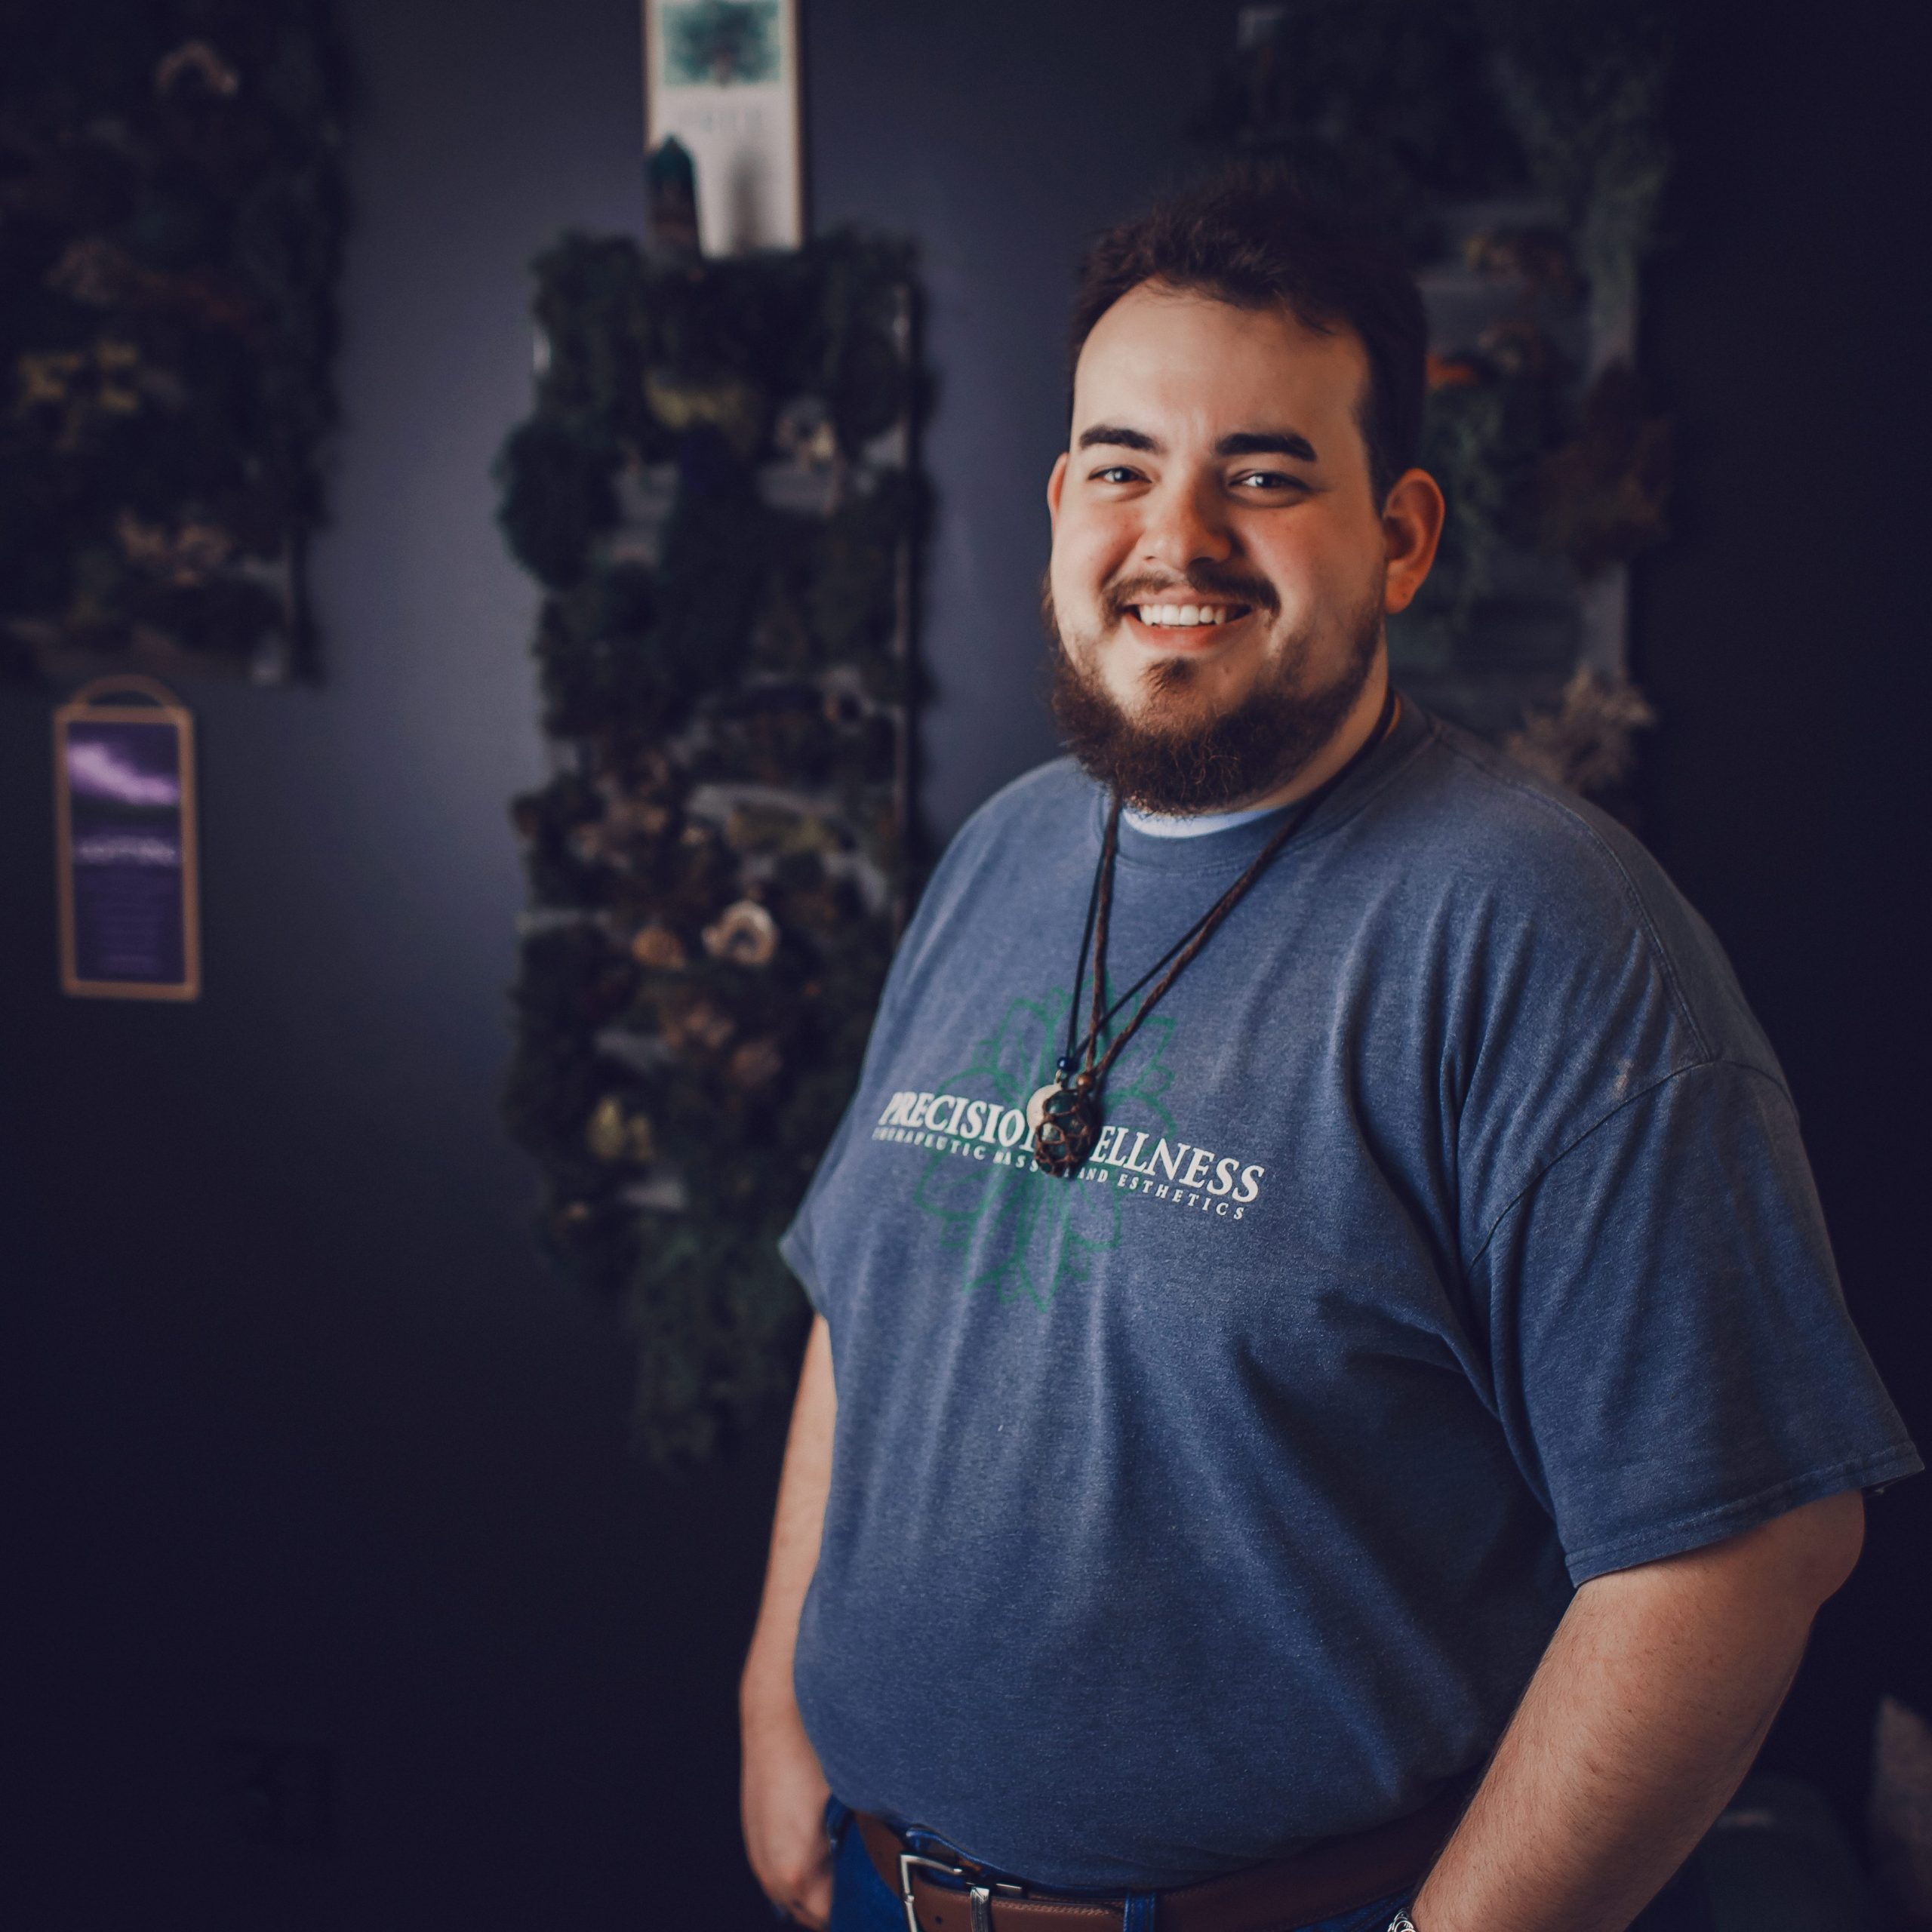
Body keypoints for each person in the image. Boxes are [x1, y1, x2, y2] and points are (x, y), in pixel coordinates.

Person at [738, 171, 1921, 1932]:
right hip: (870, 1884)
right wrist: (779, 1696)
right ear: (1062, 502)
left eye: (1266, 474)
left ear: (1402, 535)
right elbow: (868, 1304)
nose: (1177, 535)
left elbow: (1745, 1549)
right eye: (1124, 465)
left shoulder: (1540, 930)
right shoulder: (1003, 849)